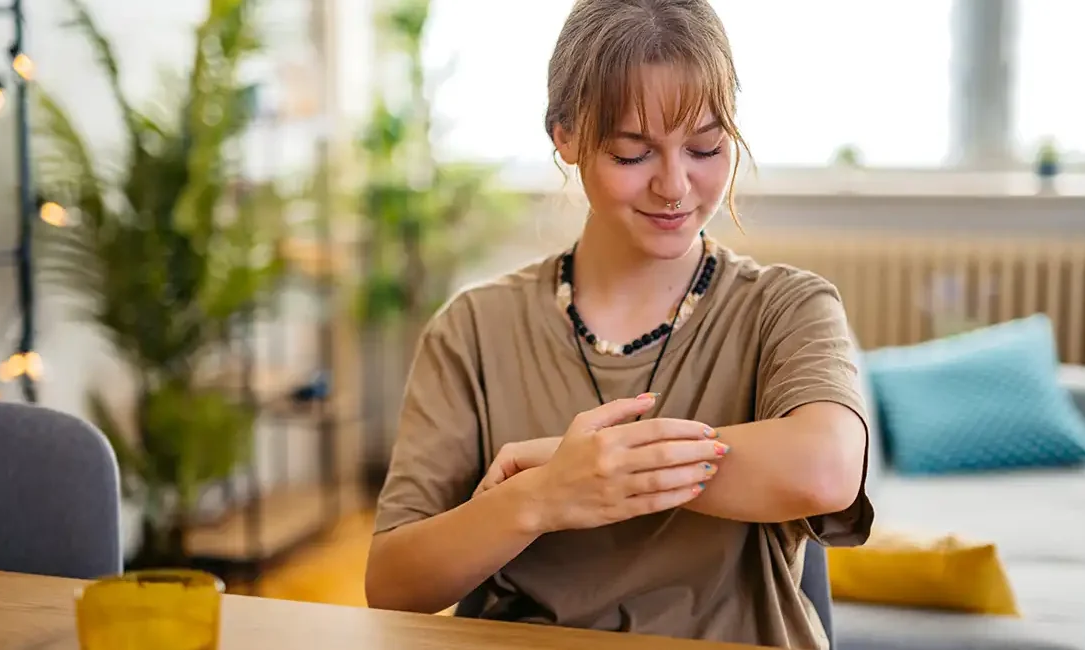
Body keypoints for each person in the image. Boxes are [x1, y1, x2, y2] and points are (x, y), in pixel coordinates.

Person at [365, 0, 872, 647]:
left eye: (706, 147)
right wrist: (544, 496)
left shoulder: (787, 306)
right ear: (566, 136)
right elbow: (394, 583)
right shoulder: (473, 329)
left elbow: (827, 471)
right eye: (633, 154)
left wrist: (592, 464)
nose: (675, 185)